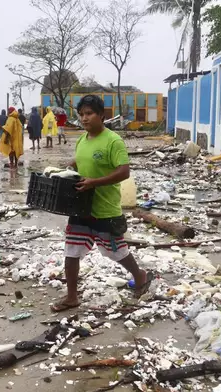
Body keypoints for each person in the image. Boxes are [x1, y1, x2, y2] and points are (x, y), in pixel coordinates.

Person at [50, 94, 151, 313]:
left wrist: (95, 182)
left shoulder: (113, 140)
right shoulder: (82, 139)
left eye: (89, 114)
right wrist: (69, 167)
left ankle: (139, 275)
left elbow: (124, 172)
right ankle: (71, 297)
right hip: (81, 207)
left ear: (101, 115)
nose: (84, 119)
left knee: (116, 252)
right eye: (81, 115)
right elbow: (80, 160)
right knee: (72, 251)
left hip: (105, 209)